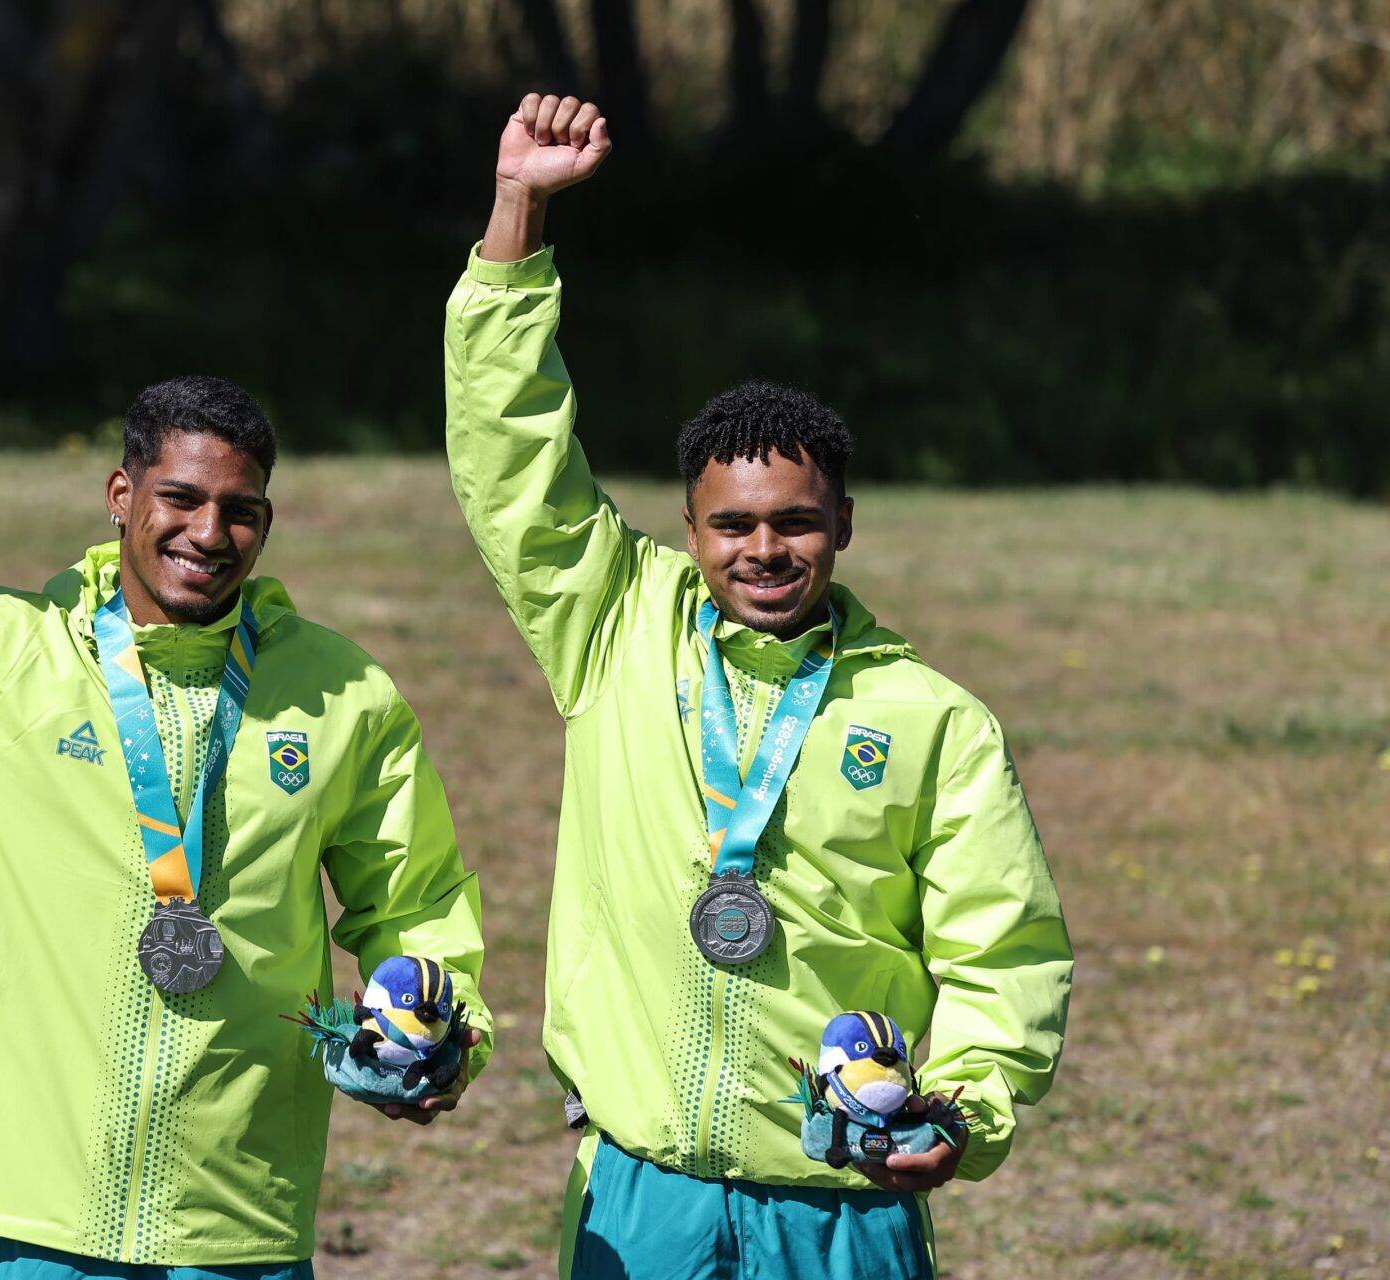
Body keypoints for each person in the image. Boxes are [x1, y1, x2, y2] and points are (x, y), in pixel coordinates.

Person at [0, 317, 489, 1279]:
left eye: (240, 510)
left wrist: (443, 1034)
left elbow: (414, 902)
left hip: (235, 1208)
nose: (209, 533)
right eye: (181, 498)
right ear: (120, 496)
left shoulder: (341, 696)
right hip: (43, 1211)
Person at [444, 94, 1072, 1280]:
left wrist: (970, 1106)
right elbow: (510, 456)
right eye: (732, 525)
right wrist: (516, 211)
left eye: (796, 522)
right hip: (645, 1192)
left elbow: (1005, 945)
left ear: (844, 523)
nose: (764, 550)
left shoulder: (932, 720)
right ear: (688, 528)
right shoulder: (614, 627)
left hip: (843, 1204)